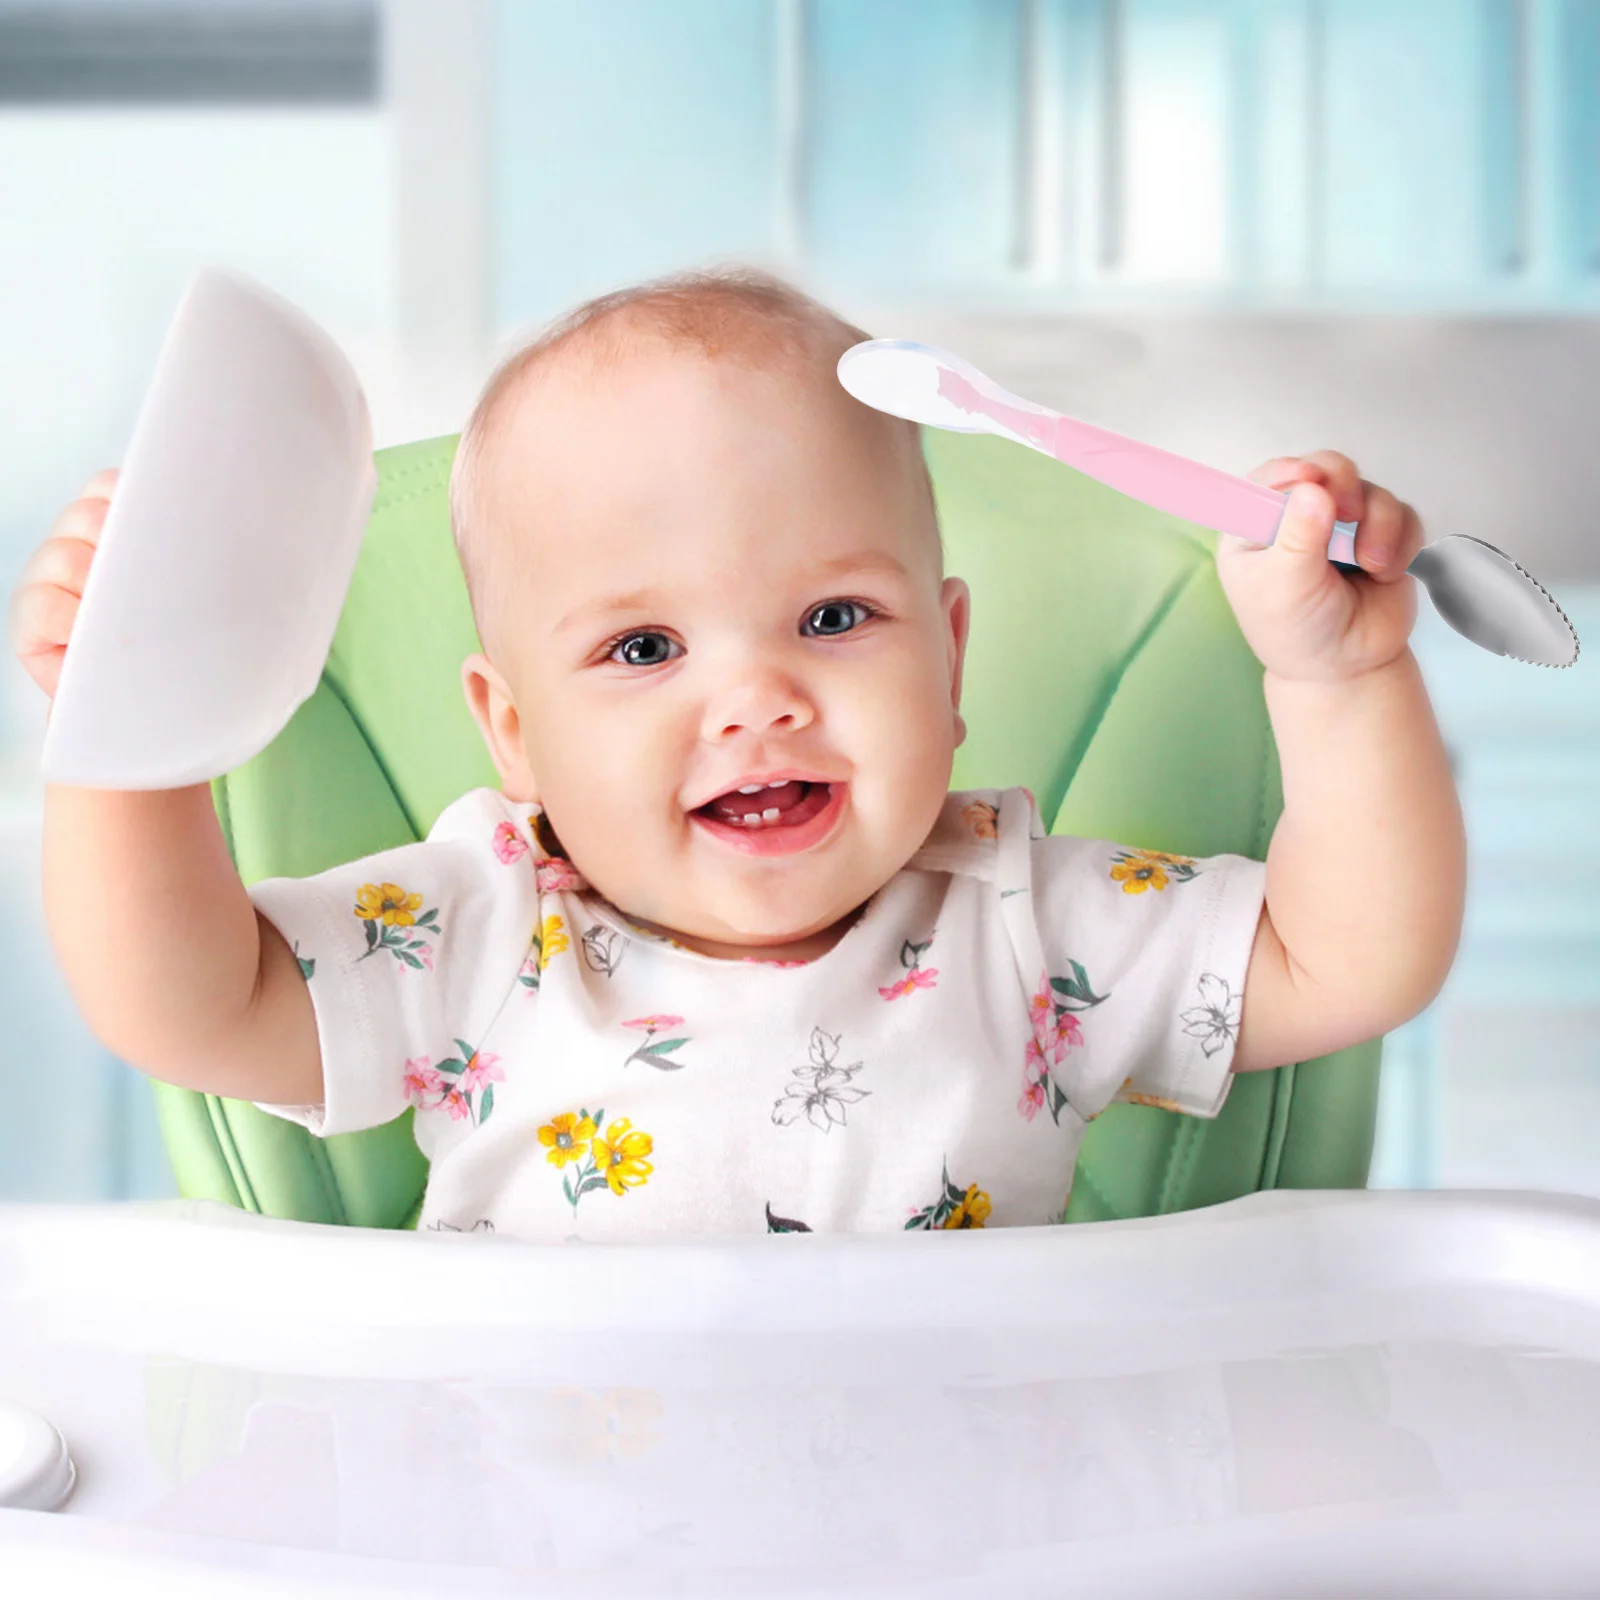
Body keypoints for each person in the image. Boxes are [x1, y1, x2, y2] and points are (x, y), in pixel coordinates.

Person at [9, 267, 1465, 1239]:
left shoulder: (1025, 921)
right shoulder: (477, 930)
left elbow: (1346, 962)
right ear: (513, 732)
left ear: (950, 660)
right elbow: (191, 1004)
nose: (758, 700)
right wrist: (130, 733)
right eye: (644, 649)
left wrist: (1338, 679)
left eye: (834, 618)